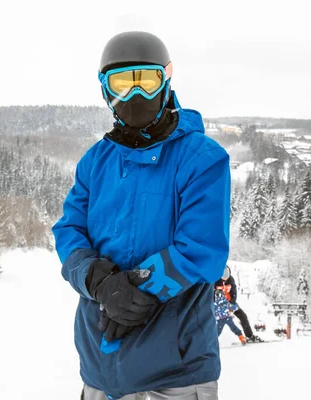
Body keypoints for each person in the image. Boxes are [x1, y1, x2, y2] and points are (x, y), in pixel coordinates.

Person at [52, 31, 231, 400]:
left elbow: (203, 249)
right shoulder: (95, 162)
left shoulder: (202, 159)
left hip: (177, 371)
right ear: (105, 90)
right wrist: (101, 283)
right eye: (122, 82)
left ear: (166, 80)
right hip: (101, 366)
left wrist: (135, 290)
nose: (135, 95)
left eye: (145, 81)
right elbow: (69, 230)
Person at [214, 265, 260, 342]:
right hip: (217, 306)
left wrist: (231, 304)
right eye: (223, 277)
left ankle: (249, 335)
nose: (225, 279)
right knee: (217, 322)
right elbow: (210, 295)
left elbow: (234, 293)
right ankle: (209, 340)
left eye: (227, 277)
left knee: (243, 316)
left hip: (229, 303)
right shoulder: (215, 281)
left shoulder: (230, 279)